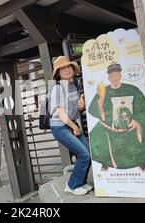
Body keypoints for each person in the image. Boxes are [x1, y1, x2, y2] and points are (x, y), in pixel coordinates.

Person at [88, 63, 145, 172]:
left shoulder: (132, 89)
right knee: (96, 135)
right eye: (112, 76)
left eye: (117, 75)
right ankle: (105, 161)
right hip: (109, 126)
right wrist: (100, 102)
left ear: (120, 76)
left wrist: (136, 121)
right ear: (108, 78)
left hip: (129, 125)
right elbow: (92, 109)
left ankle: (140, 161)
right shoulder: (103, 91)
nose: (115, 78)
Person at [49, 56, 92, 196]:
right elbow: (60, 113)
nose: (67, 69)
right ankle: (72, 186)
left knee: (88, 153)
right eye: (63, 68)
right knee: (84, 154)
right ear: (58, 73)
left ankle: (81, 182)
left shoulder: (73, 86)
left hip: (71, 123)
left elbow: (75, 109)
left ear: (73, 68)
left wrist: (81, 106)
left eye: (69, 66)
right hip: (60, 127)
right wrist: (74, 127)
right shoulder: (57, 88)